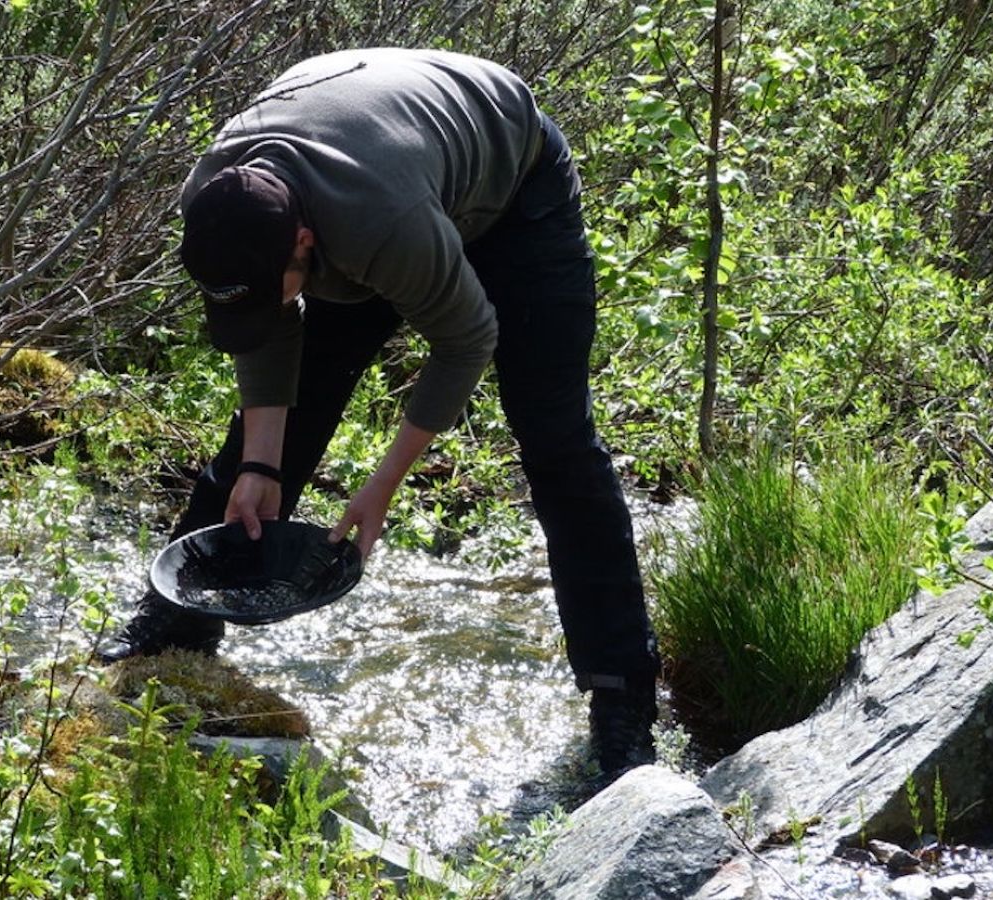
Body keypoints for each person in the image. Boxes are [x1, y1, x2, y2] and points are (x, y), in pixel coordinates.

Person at [99, 47, 660, 774]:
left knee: (555, 441)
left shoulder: (380, 225)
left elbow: (467, 338)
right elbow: (265, 330)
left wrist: (381, 487)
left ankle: (623, 700)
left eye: (287, 280)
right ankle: (173, 624)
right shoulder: (220, 205)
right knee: (270, 440)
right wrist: (261, 462)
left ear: (303, 244)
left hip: (513, 189)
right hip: (374, 173)